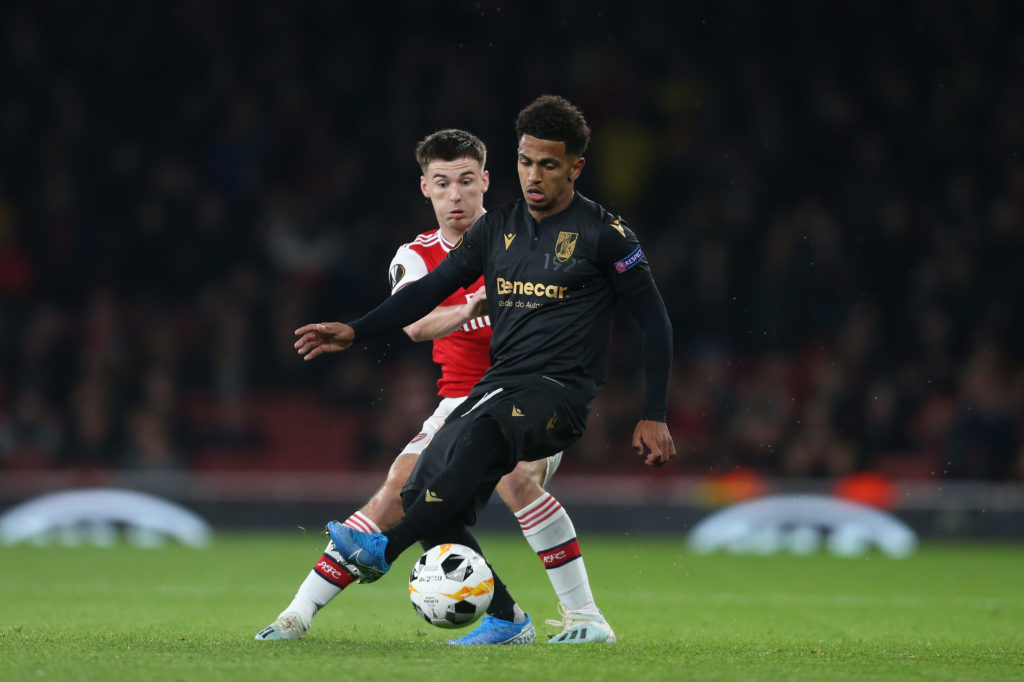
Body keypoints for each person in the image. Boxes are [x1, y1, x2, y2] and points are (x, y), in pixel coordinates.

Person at [295, 96, 675, 645]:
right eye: (526, 161)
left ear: (575, 167)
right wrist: (356, 330)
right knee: (428, 486)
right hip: (495, 389)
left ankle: (580, 615)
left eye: (548, 163)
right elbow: (426, 294)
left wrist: (654, 413)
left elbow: (655, 322)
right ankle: (505, 618)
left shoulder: (605, 234)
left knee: (494, 456)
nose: (534, 175)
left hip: (557, 392)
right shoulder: (497, 229)